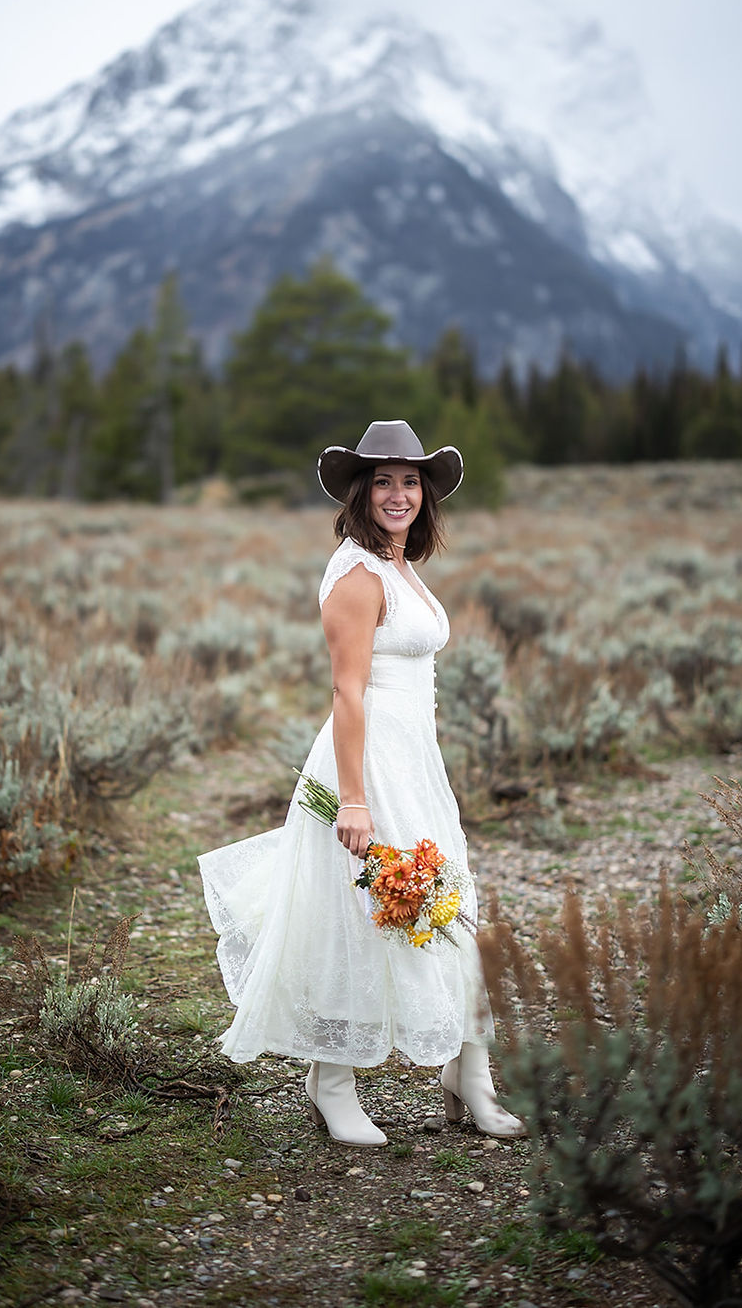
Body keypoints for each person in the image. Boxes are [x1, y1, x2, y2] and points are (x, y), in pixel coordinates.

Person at [198, 420, 524, 1147]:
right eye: (384, 481)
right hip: (364, 765)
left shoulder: (401, 565)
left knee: (453, 905)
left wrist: (422, 768)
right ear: (361, 491)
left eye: (410, 481)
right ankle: (331, 1084)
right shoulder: (356, 575)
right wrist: (353, 799)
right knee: (354, 918)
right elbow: (350, 693)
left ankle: (470, 1079)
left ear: (426, 495)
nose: (399, 493)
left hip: (414, 763)